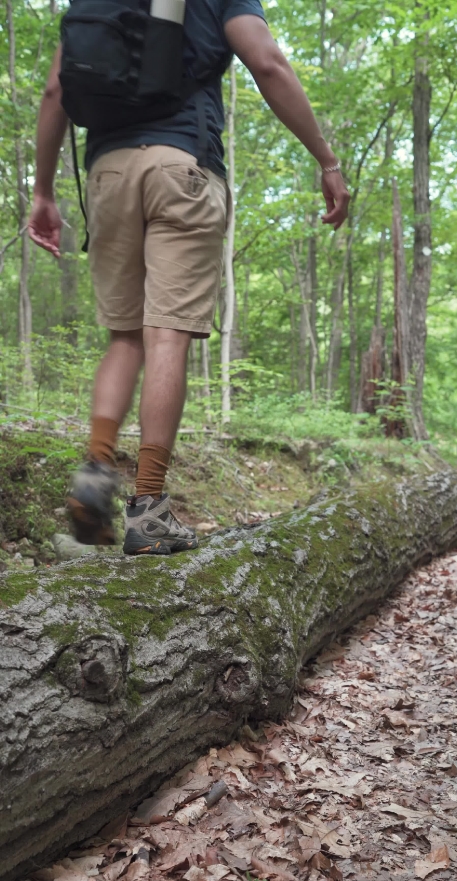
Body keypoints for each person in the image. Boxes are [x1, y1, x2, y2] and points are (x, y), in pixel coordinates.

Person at [29, 0, 350, 556]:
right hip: (184, 165)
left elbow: (56, 89)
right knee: (166, 335)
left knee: (124, 337)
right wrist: (327, 161)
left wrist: (42, 191)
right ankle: (149, 510)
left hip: (107, 171)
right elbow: (267, 62)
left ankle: (96, 469)